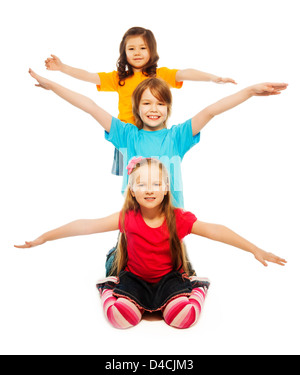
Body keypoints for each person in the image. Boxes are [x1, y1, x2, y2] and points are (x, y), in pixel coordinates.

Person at [14, 158, 287, 329]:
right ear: (132, 189)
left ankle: (197, 287)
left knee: (183, 320)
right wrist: (43, 238)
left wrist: (254, 248)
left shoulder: (176, 218)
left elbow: (215, 230)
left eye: (156, 183)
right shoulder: (127, 218)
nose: (149, 189)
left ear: (166, 188)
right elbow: (85, 225)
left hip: (168, 278)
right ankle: (108, 289)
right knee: (121, 320)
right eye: (142, 184)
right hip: (135, 277)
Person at [28, 69, 288, 209]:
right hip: (135, 215)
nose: (154, 108)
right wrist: (53, 86)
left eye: (161, 103)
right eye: (147, 103)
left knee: (171, 267)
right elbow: (90, 106)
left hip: (172, 217)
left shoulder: (178, 136)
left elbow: (212, 110)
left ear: (168, 108)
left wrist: (250, 91)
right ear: (137, 108)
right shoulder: (127, 135)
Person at [44, 26, 237, 176]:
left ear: (151, 50)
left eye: (143, 48)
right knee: (134, 180)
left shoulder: (159, 74)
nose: (137, 52)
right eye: (132, 48)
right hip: (127, 137)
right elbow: (89, 76)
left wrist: (213, 78)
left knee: (157, 175)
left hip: (153, 135)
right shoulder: (119, 77)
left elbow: (185, 73)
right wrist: (63, 68)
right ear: (124, 52)